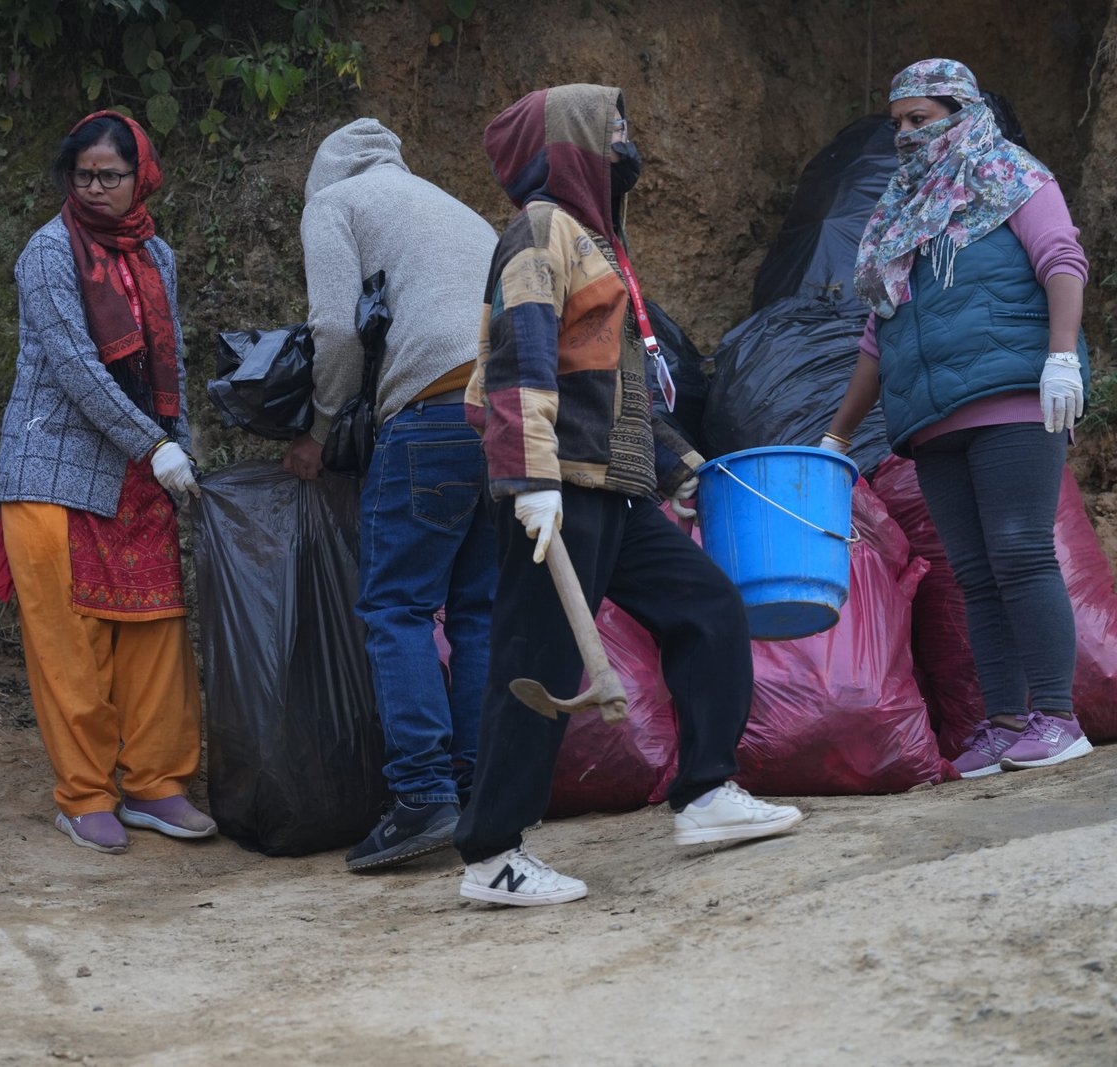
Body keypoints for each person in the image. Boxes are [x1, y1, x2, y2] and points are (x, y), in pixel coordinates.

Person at [454, 83, 803, 907]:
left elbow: (621, 386)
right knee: (533, 661)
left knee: (708, 606)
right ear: (569, 143)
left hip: (614, 488)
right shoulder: (541, 232)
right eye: (608, 126)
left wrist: (683, 467)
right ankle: (491, 854)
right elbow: (518, 361)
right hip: (559, 489)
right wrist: (529, 481)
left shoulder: (597, 242)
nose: (624, 139)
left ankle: (709, 791)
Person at [823, 59, 1093, 778]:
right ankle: (1004, 722)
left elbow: (1062, 260)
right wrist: (837, 434)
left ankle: (1059, 718)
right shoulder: (897, 212)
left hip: (1011, 395)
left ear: (962, 110)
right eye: (899, 124)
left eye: (923, 118)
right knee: (974, 573)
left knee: (1021, 552)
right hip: (933, 418)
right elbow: (878, 336)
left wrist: (1061, 358)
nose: (909, 135)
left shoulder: (1011, 176)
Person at [0, 111, 215, 854]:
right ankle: (84, 794)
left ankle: (156, 783)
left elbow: (170, 361)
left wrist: (179, 448)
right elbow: (77, 369)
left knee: (155, 635)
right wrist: (155, 445)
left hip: (141, 475)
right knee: (71, 646)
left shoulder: (158, 255)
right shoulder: (48, 253)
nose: (95, 188)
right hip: (54, 475)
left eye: (109, 176)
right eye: (82, 175)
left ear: (140, 176)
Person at [282, 119, 499, 872]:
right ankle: (477, 792)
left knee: (395, 606)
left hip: (435, 414)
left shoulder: (335, 205)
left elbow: (335, 332)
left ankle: (421, 794)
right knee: (479, 612)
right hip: (511, 419)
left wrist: (318, 426)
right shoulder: (442, 203)